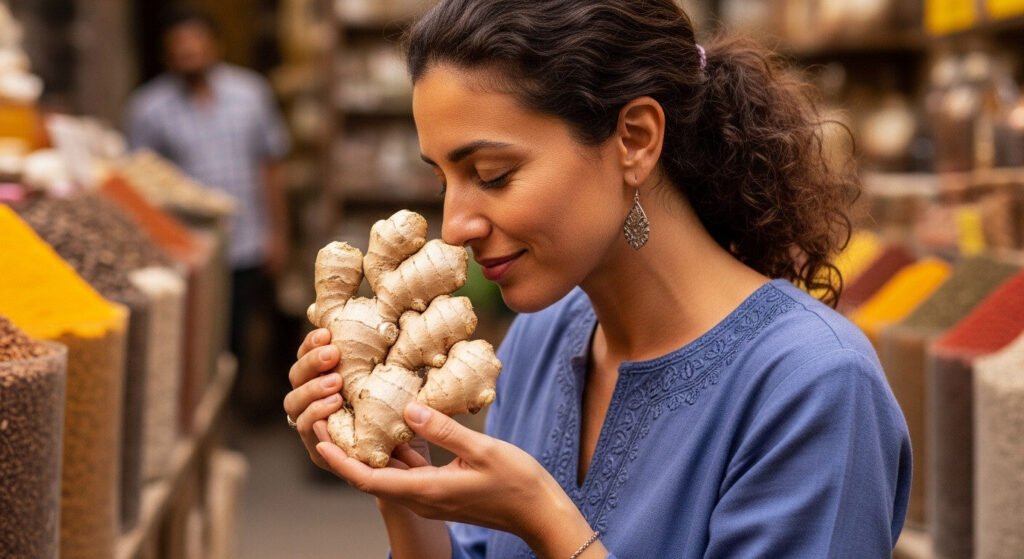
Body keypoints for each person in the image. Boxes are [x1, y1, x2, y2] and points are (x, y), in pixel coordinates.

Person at [284, 0, 912, 557]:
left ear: (634, 139)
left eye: (493, 175)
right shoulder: (542, 337)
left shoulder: (815, 386)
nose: (455, 227)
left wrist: (545, 519)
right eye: (442, 179)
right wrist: (398, 485)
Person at [126, 9, 291, 421]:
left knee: (240, 331)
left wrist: (278, 233)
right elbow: (138, 183)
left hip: (247, 239)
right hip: (186, 248)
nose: (188, 50)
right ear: (166, 53)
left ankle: (237, 412)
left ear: (214, 45)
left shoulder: (250, 93)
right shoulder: (149, 108)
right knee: (196, 340)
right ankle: (201, 417)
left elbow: (270, 166)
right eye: (179, 45)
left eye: (195, 40)